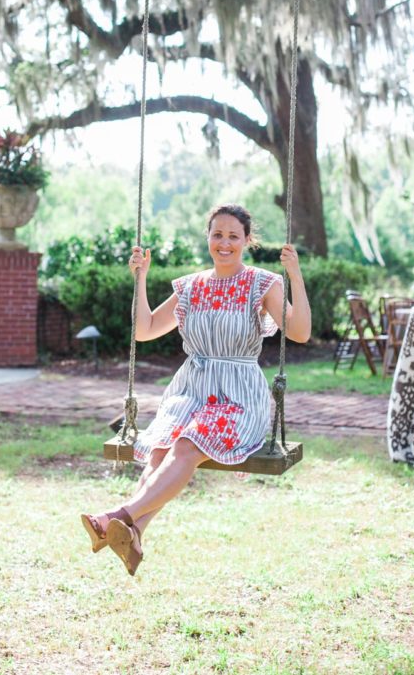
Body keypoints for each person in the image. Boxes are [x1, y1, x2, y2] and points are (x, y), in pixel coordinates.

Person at [80, 203, 312, 576]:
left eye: (233, 236)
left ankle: (117, 516)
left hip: (238, 397)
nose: (224, 243)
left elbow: (299, 332)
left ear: (247, 241)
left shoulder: (262, 283)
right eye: (217, 234)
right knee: (159, 452)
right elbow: (146, 329)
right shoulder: (192, 286)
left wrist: (295, 276)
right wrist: (140, 279)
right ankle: (134, 532)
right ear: (208, 237)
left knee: (187, 445)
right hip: (191, 393)